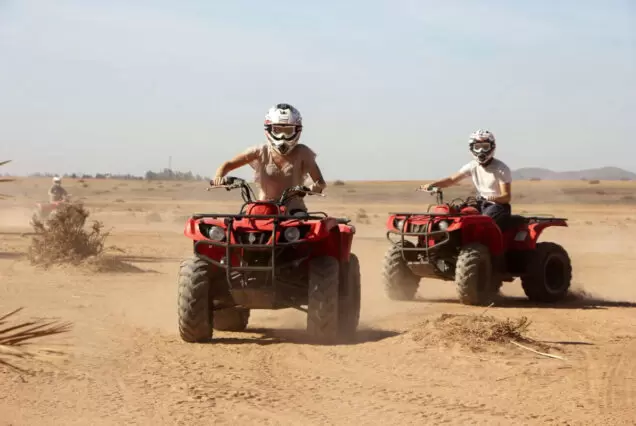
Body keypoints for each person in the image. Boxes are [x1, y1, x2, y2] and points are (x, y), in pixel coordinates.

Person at [212, 103, 327, 215]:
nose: (283, 136)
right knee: (241, 225)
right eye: (277, 130)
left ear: (297, 130)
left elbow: (320, 182)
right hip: (263, 207)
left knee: (302, 229)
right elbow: (228, 164)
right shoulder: (260, 151)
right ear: (269, 129)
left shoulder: (303, 152)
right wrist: (219, 177)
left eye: (288, 131)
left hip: (294, 210)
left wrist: (311, 188)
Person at [420, 129, 513, 229]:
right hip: (481, 204)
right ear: (472, 148)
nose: (481, 150)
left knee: (482, 222)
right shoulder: (472, 166)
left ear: (492, 147)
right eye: (477, 147)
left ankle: (479, 243)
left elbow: (506, 197)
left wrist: (494, 198)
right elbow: (451, 179)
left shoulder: (501, 168)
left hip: (498, 207)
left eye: (485, 147)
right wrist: (433, 184)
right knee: (456, 215)